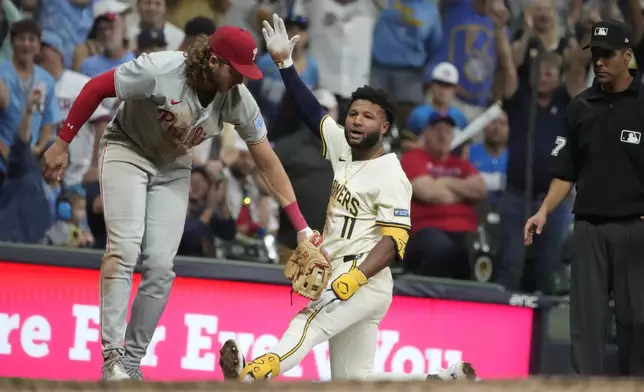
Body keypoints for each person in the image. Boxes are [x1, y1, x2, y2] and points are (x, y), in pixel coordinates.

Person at [41, 25, 320, 382]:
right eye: (236, 70)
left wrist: (301, 227)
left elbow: (267, 161)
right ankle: (111, 359)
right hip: (127, 147)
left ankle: (131, 364)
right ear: (214, 61)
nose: (241, 80)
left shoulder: (237, 97)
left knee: (160, 267)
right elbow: (97, 87)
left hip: (173, 164)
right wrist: (63, 142)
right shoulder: (160, 69)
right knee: (124, 250)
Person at [218, 14, 477, 382]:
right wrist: (286, 65)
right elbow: (311, 111)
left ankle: (249, 376)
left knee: (305, 324)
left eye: (368, 117)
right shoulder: (343, 147)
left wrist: (353, 280)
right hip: (340, 270)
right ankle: (444, 381)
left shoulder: (392, 173)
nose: (356, 121)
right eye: (353, 113)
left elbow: (395, 240)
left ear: (384, 127)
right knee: (354, 381)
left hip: (363, 279)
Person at [525, 20, 644, 376]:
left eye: (608, 55)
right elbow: (566, 171)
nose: (600, 62)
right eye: (596, 55)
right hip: (589, 226)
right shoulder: (580, 107)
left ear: (627, 56)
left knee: (636, 322)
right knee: (586, 324)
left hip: (635, 229)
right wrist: (544, 210)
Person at [401, 112, 486, 279]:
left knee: (476, 251)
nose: (443, 136)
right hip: (427, 229)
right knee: (440, 249)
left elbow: (480, 189)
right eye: (437, 130)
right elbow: (426, 192)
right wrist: (462, 192)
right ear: (426, 134)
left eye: (448, 131)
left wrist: (443, 182)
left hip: (466, 231)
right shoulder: (413, 158)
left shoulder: (461, 164)